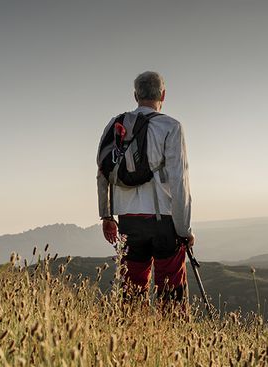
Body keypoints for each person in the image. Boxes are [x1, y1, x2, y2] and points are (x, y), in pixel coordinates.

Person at [96, 71, 194, 304]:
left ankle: (131, 337)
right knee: (171, 294)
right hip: (164, 221)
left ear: (135, 95)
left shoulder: (116, 124)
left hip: (128, 220)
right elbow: (179, 182)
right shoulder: (171, 126)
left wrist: (107, 215)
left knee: (131, 292)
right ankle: (169, 338)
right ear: (163, 94)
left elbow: (102, 171)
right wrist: (184, 229)